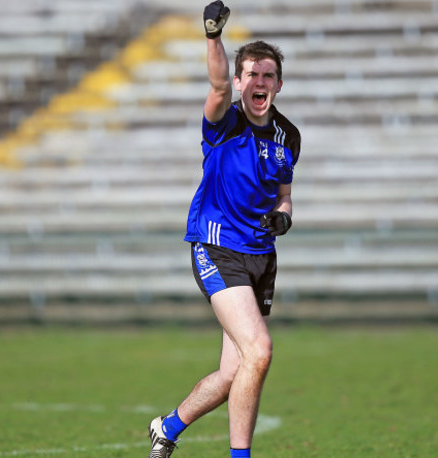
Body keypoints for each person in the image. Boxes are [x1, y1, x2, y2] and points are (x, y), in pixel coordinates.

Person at [148, 1, 301, 457]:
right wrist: (213, 37)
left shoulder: (288, 137)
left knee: (235, 372)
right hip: (217, 247)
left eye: (268, 75)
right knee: (260, 350)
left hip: (260, 257)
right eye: (251, 74)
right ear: (239, 82)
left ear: (278, 83)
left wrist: (284, 214)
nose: (259, 82)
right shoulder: (225, 120)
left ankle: (168, 427)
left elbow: (284, 193)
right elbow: (214, 83)